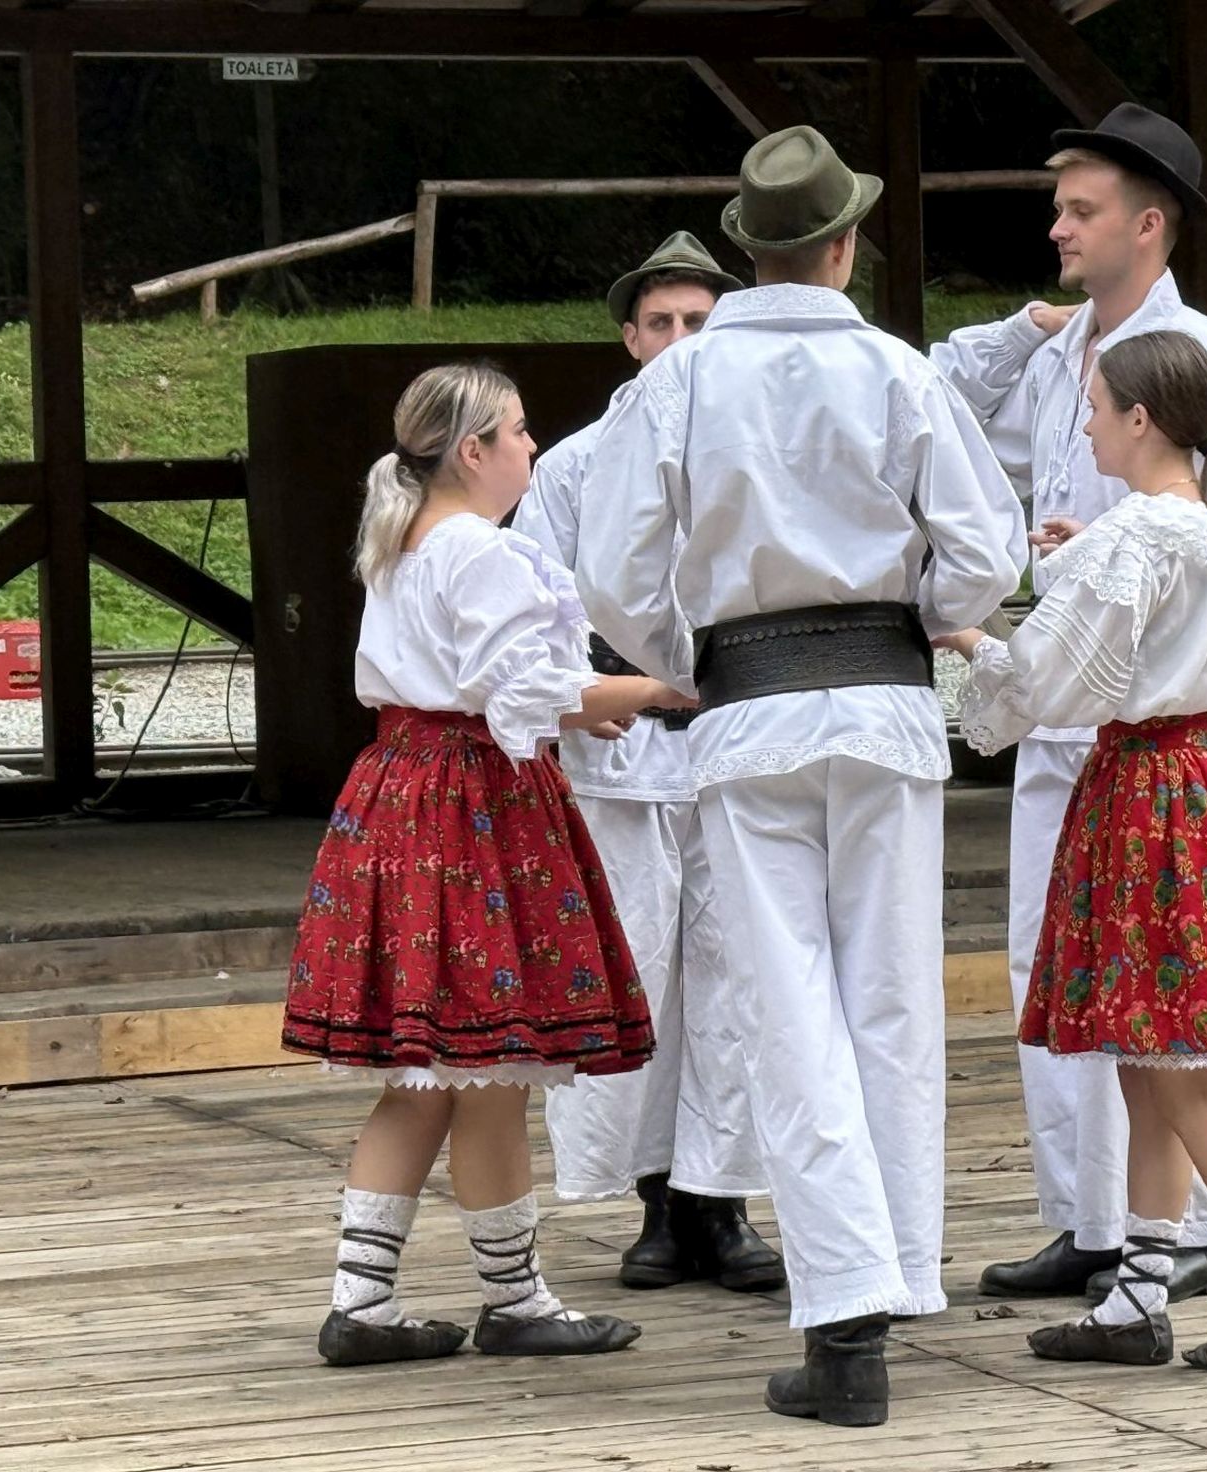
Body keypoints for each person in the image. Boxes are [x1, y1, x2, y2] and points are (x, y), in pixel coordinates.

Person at [578, 126, 1027, 1426]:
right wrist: (914, 618)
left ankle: (847, 1321)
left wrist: (691, 657)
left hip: (753, 714)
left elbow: (615, 571)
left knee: (789, 1011)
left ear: (749, 251)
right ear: (843, 246)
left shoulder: (680, 383)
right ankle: (885, 1280)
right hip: (881, 710)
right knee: (889, 1005)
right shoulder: (898, 371)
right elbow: (985, 551)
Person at [931, 102, 1207, 1308]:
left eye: (1080, 210)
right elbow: (969, 431)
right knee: (1058, 962)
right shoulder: (1062, 358)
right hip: (1069, 715)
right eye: (1060, 208)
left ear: (1147, 225)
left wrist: (1144, 577)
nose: (1058, 228)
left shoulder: (1205, 359)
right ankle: (1095, 1222)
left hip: (1153, 716)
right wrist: (1074, 556)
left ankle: (1190, 1230)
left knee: (1168, 983)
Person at [281, 360, 693, 1366]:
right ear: (472, 450)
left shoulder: (404, 542)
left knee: (427, 1075)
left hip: (401, 789)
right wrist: (660, 688)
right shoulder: (479, 549)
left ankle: (361, 1302)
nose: (531, 446)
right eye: (517, 430)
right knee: (492, 1066)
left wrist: (594, 701)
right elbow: (528, 693)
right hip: (470, 807)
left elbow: (490, 684)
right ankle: (515, 1299)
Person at [515, 232, 784, 1296]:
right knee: (635, 974)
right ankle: (657, 1200)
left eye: (699, 322)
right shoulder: (575, 465)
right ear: (629, 337)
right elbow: (534, 603)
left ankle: (726, 1199)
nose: (679, 339)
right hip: (622, 759)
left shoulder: (759, 453)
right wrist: (582, 701)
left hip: (734, 752)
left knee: (736, 977)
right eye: (661, 322)